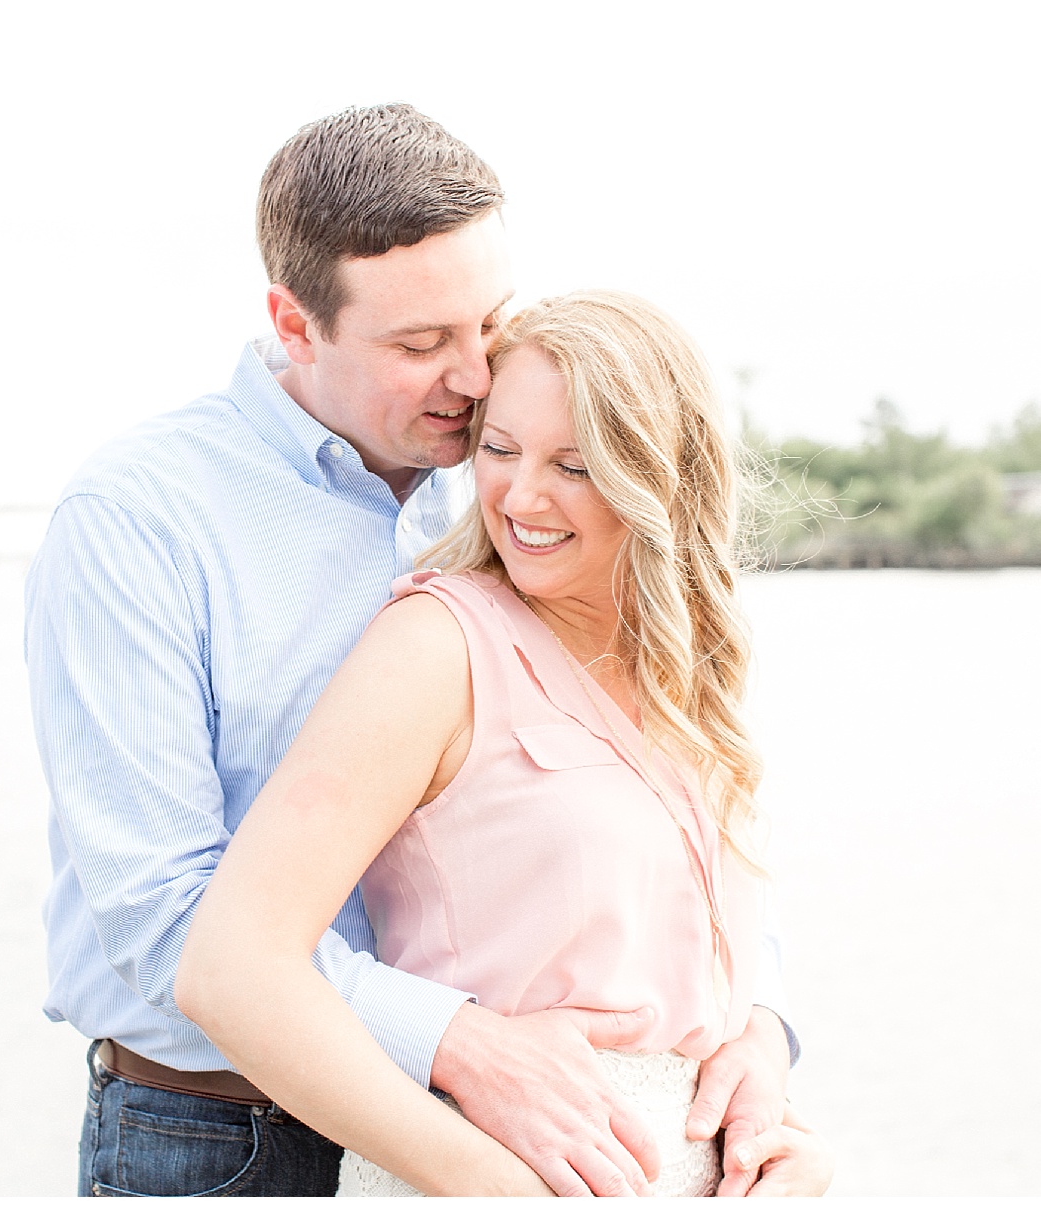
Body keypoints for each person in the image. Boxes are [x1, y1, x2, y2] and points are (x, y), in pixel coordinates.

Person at [25, 104, 800, 1197]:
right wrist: (455, 1039)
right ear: (294, 325)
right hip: (217, 1125)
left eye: (488, 322)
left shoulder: (509, 479)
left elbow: (660, 821)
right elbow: (164, 914)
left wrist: (757, 1030)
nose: (477, 373)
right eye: (421, 344)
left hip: (520, 1111)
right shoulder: (139, 518)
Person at [176, 290, 833, 1196]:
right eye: (499, 448)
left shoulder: (689, 677)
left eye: (575, 464)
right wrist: (500, 1189)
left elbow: (695, 955)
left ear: (659, 477)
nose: (521, 496)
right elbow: (228, 968)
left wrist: (764, 1060)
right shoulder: (439, 646)